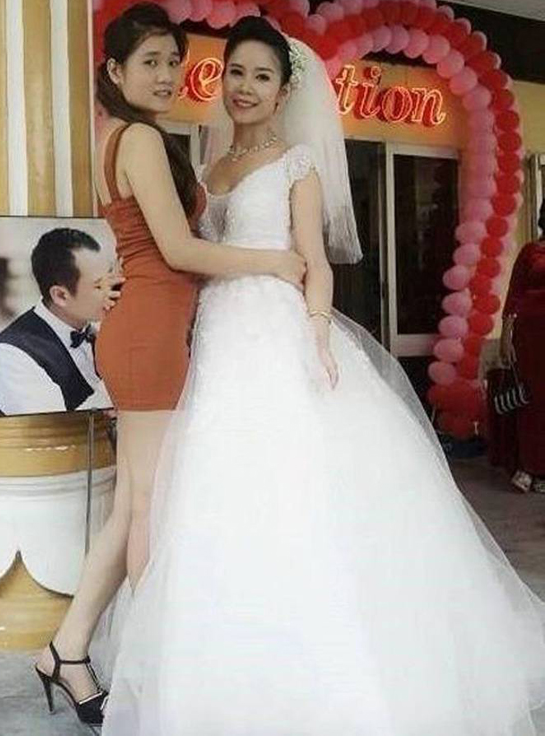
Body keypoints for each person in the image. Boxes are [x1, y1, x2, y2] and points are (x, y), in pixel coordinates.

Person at [101, 19, 545, 735]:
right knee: (207, 491)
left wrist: (315, 330)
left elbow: (314, 258)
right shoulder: (206, 171)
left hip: (276, 332)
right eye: (236, 73)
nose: (245, 89)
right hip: (212, 337)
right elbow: (178, 252)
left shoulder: (296, 164)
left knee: (296, 490)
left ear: (283, 93)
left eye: (262, 77)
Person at [33, 4, 306, 726]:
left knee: (133, 503)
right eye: (149, 62)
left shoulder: (115, 137)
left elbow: (145, 244)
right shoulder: (143, 139)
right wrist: (273, 262)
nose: (165, 75)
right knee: (148, 507)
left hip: (143, 327)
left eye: (172, 62)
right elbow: (180, 250)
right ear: (115, 70)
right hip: (149, 334)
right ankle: (151, 670)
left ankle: (66, 648)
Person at [0, 227, 117, 416]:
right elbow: (55, 427)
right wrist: (122, 374)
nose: (111, 291)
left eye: (111, 278)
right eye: (99, 286)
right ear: (60, 295)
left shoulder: (102, 326)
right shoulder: (9, 355)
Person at [496, 200, 545, 493]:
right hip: (530, 337)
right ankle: (527, 467)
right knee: (531, 400)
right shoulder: (530, 252)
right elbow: (514, 294)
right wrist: (505, 336)